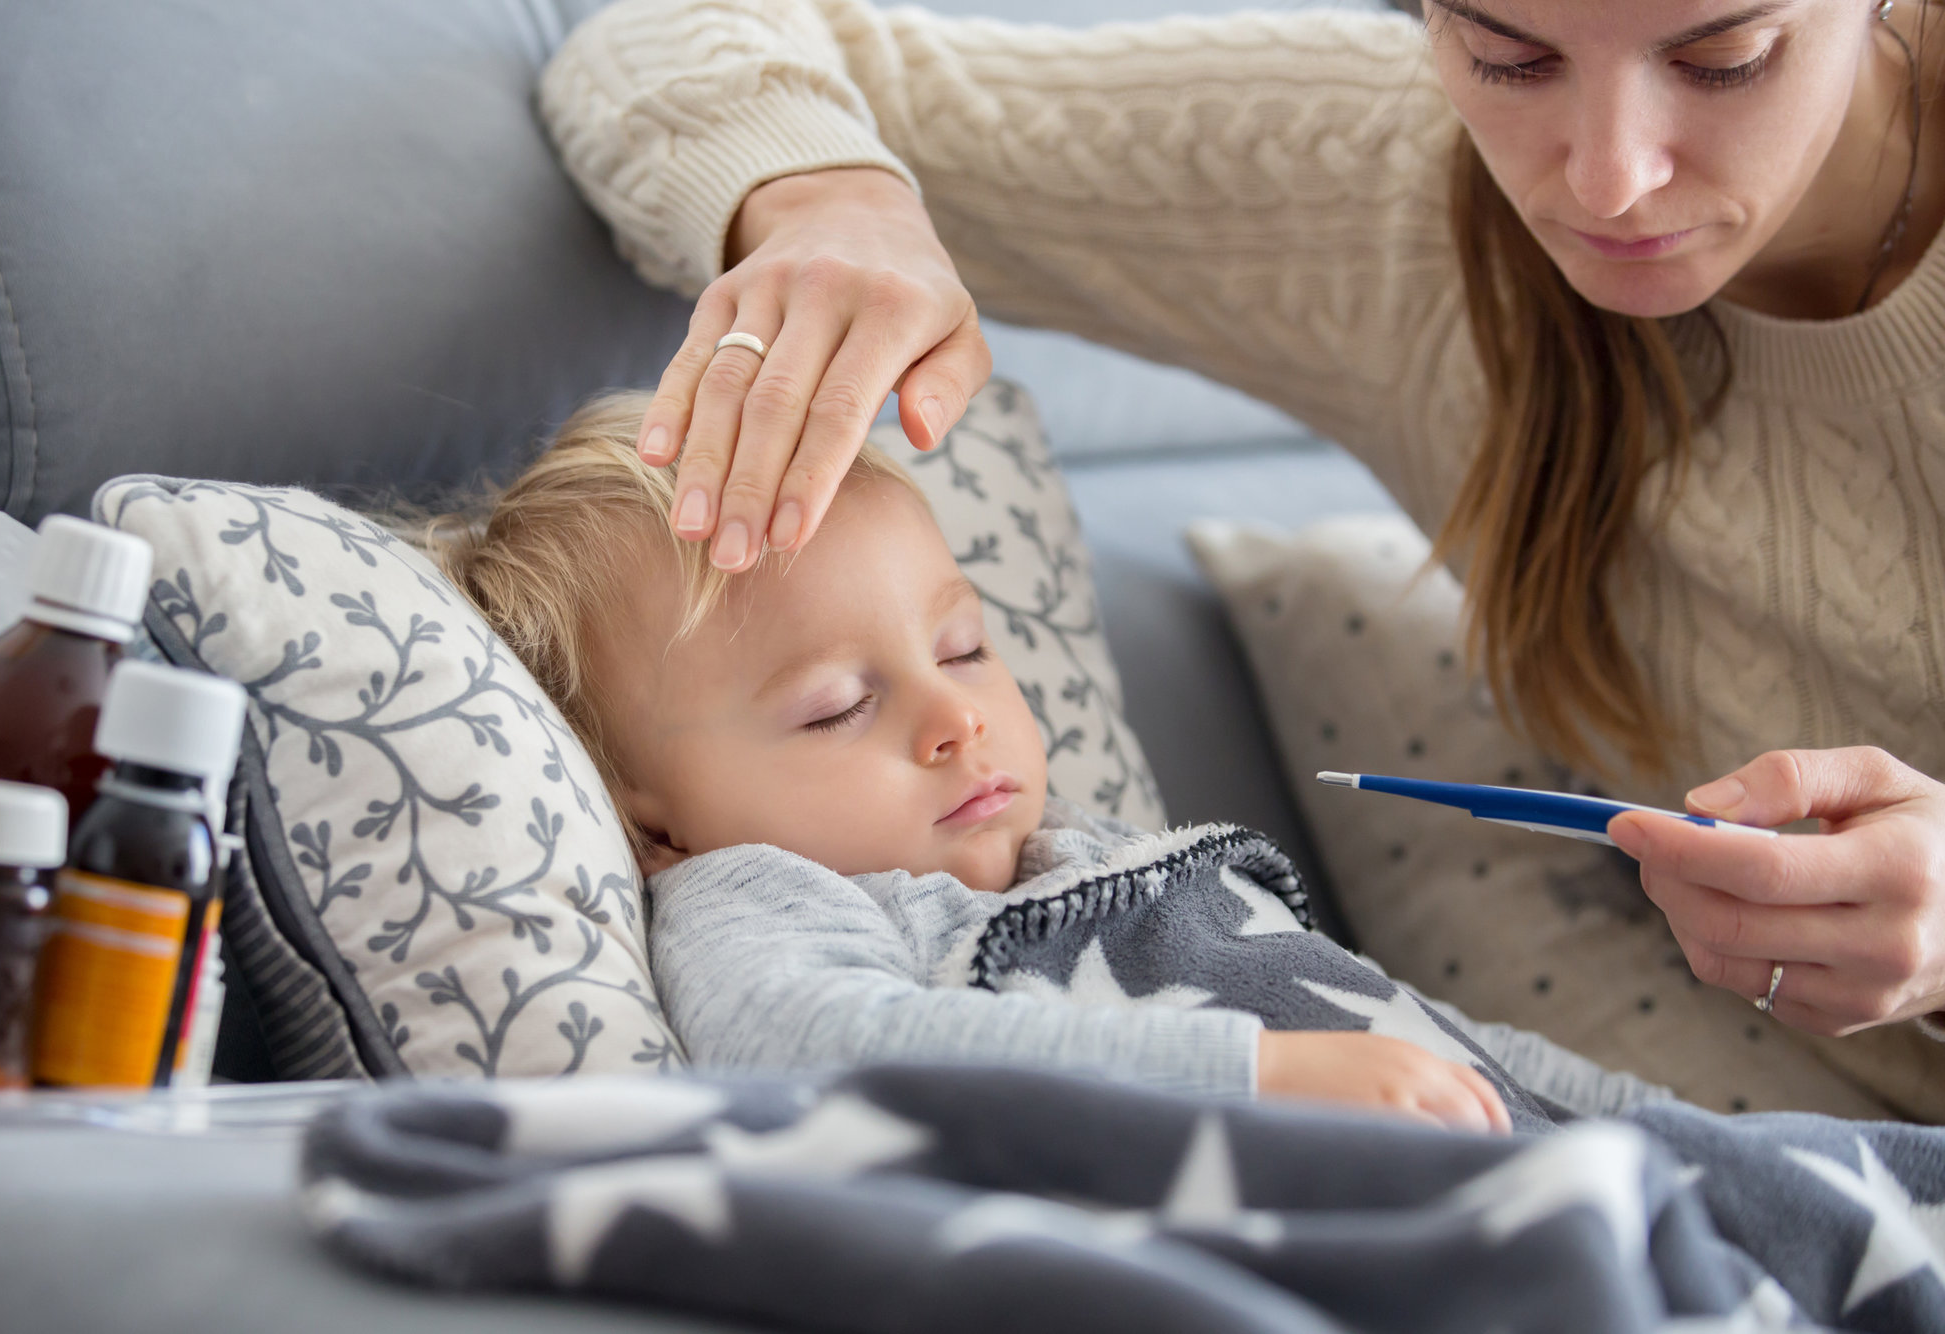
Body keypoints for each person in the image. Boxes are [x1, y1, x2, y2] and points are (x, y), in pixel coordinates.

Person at [533, 0, 1945, 1113]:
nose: (1609, 176)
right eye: (1509, 55)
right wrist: (833, 203)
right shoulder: (1387, 183)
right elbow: (660, 37)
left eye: (1726, 57)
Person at [422, 390, 1674, 1134]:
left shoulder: (1099, 853)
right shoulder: (765, 896)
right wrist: (1254, 1074)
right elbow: (816, 1040)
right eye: (835, 707)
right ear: (657, 828)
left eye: (963, 647)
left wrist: (1664, 1123)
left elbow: (1426, 1034)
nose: (952, 719)